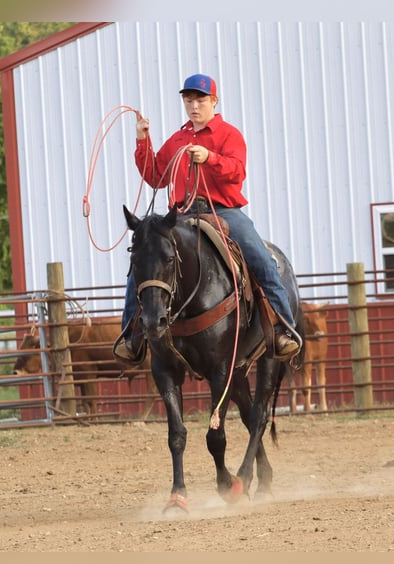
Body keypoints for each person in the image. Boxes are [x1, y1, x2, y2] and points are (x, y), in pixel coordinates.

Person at [115, 73, 301, 364]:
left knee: (260, 258)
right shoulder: (177, 139)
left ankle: (281, 328)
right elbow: (154, 176)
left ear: (213, 101)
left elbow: (238, 171)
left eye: (200, 99)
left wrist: (210, 158)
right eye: (188, 100)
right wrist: (142, 139)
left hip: (223, 210)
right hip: (182, 213)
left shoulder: (229, 135)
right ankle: (131, 335)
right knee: (144, 259)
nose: (194, 105)